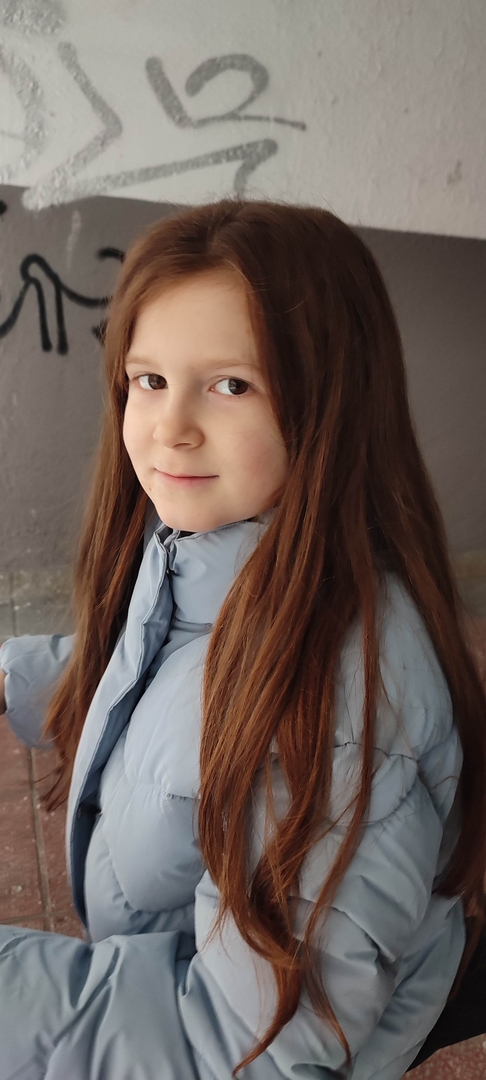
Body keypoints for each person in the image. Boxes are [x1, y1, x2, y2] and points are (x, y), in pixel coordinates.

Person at [0, 197, 485, 1080]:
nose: (170, 426)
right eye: (149, 379)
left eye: (231, 385)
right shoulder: (212, 543)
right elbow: (165, 661)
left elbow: (238, 1048)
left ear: (331, 402)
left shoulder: (340, 709)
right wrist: (15, 678)